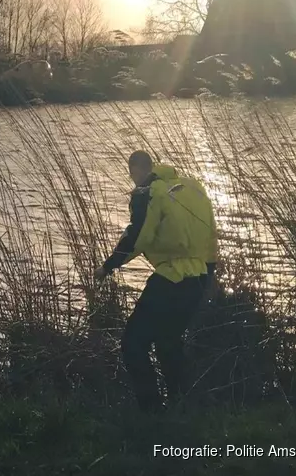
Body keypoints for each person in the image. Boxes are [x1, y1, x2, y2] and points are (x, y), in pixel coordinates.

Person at [94, 150, 217, 413]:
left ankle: (151, 410)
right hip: (198, 279)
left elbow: (136, 237)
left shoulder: (147, 193)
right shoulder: (194, 188)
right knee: (168, 341)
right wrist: (209, 276)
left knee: (133, 343)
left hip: (171, 277)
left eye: (132, 174)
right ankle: (179, 405)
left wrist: (107, 266)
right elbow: (211, 238)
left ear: (136, 170)